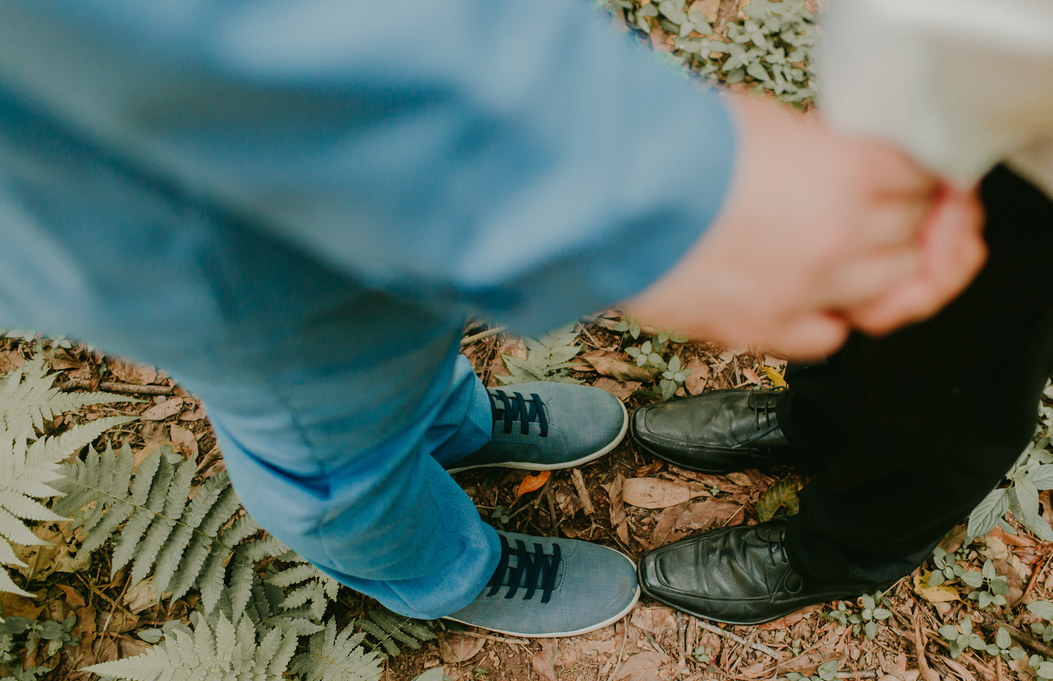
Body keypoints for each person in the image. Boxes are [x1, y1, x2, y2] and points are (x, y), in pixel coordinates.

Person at [0, 1, 985, 636]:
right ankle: (448, 571)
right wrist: (647, 177)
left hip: (361, 142)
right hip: (186, 215)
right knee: (326, 437)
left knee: (407, 309)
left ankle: (450, 423)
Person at [632, 0, 1053, 624]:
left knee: (974, 350)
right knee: (874, 267)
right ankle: (819, 419)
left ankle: (850, 547)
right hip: (944, 65)